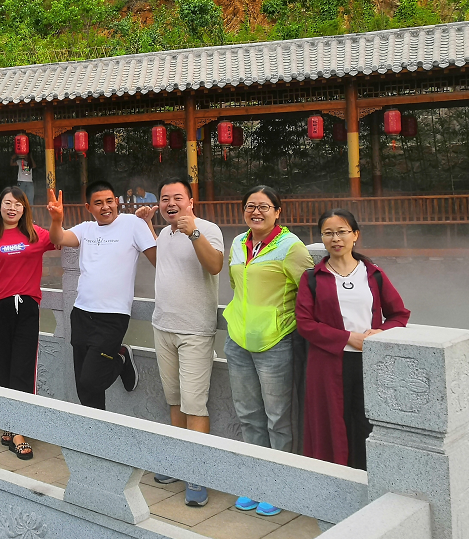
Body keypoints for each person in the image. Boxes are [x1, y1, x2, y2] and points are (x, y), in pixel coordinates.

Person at [222, 185, 313, 517]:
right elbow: (236, 285)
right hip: (238, 340)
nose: (256, 212)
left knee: (278, 419)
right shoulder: (237, 243)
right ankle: (256, 481)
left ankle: (280, 485)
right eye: (250, 206)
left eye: (263, 206)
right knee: (248, 416)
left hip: (275, 342)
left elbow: (310, 292)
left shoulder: (291, 246)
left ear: (277, 211)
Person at [296, 209, 409, 469]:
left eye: (342, 232)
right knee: (332, 424)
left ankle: (368, 478)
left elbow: (399, 314)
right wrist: (348, 338)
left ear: (355, 235)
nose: (336, 238)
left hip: (369, 363)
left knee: (366, 423)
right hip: (327, 364)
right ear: (322, 238)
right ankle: (334, 480)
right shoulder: (312, 278)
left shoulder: (373, 274)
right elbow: (305, 323)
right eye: (328, 233)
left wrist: (381, 332)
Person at [135, 178, 224, 508]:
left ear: (191, 201)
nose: (170, 203)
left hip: (195, 331)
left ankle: (197, 473)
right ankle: (177, 462)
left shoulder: (208, 229)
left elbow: (215, 266)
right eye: (164, 198)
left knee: (194, 404)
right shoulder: (167, 233)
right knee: (174, 401)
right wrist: (148, 225)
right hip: (163, 326)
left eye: (177, 198)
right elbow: (161, 263)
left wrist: (194, 233)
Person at [47, 181, 156, 411]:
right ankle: (96, 431)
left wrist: (148, 224)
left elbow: (158, 260)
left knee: (91, 380)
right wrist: (57, 220)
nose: (105, 207)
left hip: (112, 316)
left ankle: (120, 358)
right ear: (89, 207)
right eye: (98, 203)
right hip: (81, 313)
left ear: (116, 202)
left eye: (109, 201)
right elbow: (58, 239)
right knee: (83, 388)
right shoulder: (86, 229)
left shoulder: (132, 224)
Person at [0, 186, 57, 460]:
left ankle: (19, 430)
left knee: (24, 368)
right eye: (8, 203)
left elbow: (61, 239)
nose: (12, 208)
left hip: (27, 308)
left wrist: (56, 218)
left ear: (25, 208)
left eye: (18, 204)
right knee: (4, 368)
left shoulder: (35, 234)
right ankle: (9, 424)